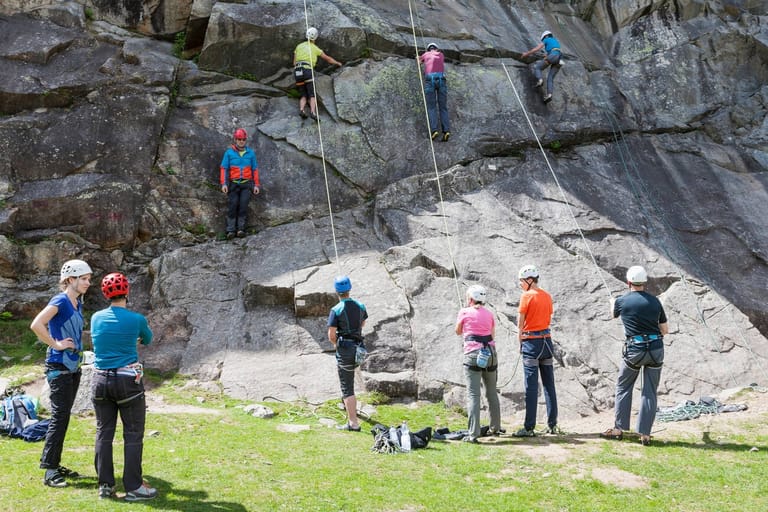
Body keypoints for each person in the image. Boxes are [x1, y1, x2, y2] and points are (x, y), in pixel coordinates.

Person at [90, 272, 157, 501]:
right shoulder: (136, 319)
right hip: (127, 382)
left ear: (105, 294)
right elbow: (147, 339)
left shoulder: (96, 318)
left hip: (100, 381)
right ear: (127, 292)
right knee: (133, 433)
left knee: (104, 432)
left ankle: (106, 486)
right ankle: (134, 487)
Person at [30, 259, 92, 488]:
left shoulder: (77, 303)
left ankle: (54, 464)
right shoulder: (61, 300)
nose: (88, 282)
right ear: (70, 279)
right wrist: (56, 344)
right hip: (59, 366)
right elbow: (37, 324)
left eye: (88, 279)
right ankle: (50, 471)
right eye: (84, 279)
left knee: (63, 418)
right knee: (59, 418)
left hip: (72, 367)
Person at [602, 265, 668, 446]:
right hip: (655, 349)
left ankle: (619, 429)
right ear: (644, 282)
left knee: (624, 387)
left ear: (628, 282)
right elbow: (665, 330)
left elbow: (614, 315)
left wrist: (611, 303)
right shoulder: (655, 302)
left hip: (635, 350)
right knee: (649, 391)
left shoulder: (622, 301)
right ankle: (645, 434)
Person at [514, 264, 559, 437]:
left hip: (531, 343)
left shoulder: (526, 296)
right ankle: (552, 424)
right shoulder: (547, 296)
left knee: (531, 386)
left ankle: (529, 427)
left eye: (521, 281)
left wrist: (520, 341)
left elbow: (521, 322)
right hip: (547, 342)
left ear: (529, 280)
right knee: (549, 385)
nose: (520, 284)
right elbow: (547, 317)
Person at [455, 285, 501, 443]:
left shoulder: (464, 312)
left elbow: (458, 331)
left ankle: (473, 434)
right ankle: (495, 427)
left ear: (471, 298)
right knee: (492, 392)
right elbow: (492, 335)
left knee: (474, 394)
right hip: (490, 355)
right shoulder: (489, 314)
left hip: (473, 355)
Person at [327, 275, 367, 432]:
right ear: (349, 289)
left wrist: (337, 345)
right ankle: (350, 411)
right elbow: (362, 323)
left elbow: (331, 334)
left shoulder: (336, 310)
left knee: (347, 387)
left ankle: (353, 423)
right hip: (358, 347)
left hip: (345, 349)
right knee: (349, 382)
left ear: (336, 291)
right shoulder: (360, 305)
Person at [293, 27, 342, 120]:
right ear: (315, 38)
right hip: (307, 70)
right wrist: (337, 63)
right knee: (311, 94)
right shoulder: (315, 48)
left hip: (298, 71)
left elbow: (294, 63)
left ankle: (302, 110)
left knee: (303, 94)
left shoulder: (298, 46)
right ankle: (313, 112)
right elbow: (328, 59)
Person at [219, 128, 260, 239]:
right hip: (233, 184)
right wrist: (224, 184)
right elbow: (224, 168)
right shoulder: (229, 153)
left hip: (246, 185)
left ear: (245, 140)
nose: (241, 141)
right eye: (239, 139)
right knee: (233, 205)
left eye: (243, 139)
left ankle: (241, 229)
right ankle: (230, 230)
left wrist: (256, 185)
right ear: (235, 139)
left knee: (243, 206)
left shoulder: (250, 153)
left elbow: (254, 169)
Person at [419, 42, 451, 141]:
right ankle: (446, 131)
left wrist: (418, 57)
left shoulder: (425, 54)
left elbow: (419, 62)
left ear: (428, 49)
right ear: (436, 49)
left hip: (430, 81)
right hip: (441, 80)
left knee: (432, 107)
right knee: (443, 107)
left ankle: (434, 130)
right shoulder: (441, 55)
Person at [521, 30, 562, 103]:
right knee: (550, 78)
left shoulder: (547, 39)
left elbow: (537, 48)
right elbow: (554, 51)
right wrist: (546, 55)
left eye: (543, 39)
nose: (543, 40)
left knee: (538, 67)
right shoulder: (555, 41)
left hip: (553, 56)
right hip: (559, 59)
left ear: (546, 36)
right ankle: (549, 95)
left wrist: (527, 53)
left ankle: (540, 80)